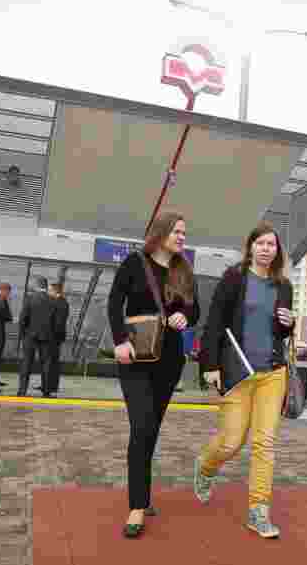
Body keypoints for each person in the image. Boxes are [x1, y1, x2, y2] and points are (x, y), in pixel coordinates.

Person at [195, 221, 296, 539]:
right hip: (237, 371)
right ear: (250, 246)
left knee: (265, 443)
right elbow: (214, 323)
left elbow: (280, 331)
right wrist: (210, 364)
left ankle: (258, 510)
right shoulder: (234, 277)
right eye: (261, 243)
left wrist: (289, 324)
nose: (266, 249)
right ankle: (206, 467)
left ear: (277, 250)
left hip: (272, 373)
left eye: (271, 244)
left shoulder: (284, 285)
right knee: (231, 441)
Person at [107, 212, 200, 538]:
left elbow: (195, 309)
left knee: (151, 429)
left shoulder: (184, 269)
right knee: (142, 426)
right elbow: (114, 302)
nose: (182, 237)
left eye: (184, 232)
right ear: (161, 233)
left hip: (169, 360)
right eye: (177, 231)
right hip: (135, 356)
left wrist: (184, 316)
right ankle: (136, 506)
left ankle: (142, 495)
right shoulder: (135, 262)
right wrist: (119, 341)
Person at [18, 276, 58, 397]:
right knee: (46, 364)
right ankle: (46, 391)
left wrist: (23, 334)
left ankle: (22, 391)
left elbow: (22, 318)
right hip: (47, 337)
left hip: (30, 336)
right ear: (46, 286)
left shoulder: (29, 299)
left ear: (36, 285)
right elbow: (55, 322)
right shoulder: (53, 300)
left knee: (26, 363)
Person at [45, 282, 70, 397]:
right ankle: (49, 385)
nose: (48, 292)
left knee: (52, 361)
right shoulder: (62, 302)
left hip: (54, 336)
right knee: (52, 361)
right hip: (57, 336)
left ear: (55, 291)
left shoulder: (59, 303)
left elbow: (59, 322)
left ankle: (51, 386)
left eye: (50, 290)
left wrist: (51, 333)